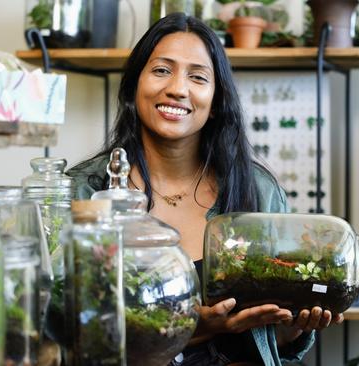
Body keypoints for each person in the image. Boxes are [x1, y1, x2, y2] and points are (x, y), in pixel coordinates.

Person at [67, 12, 344, 366]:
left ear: (215, 101)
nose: (178, 88)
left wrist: (292, 330)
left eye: (197, 77)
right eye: (161, 70)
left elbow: (277, 343)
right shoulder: (86, 192)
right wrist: (194, 327)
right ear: (134, 85)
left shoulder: (257, 192)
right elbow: (66, 326)